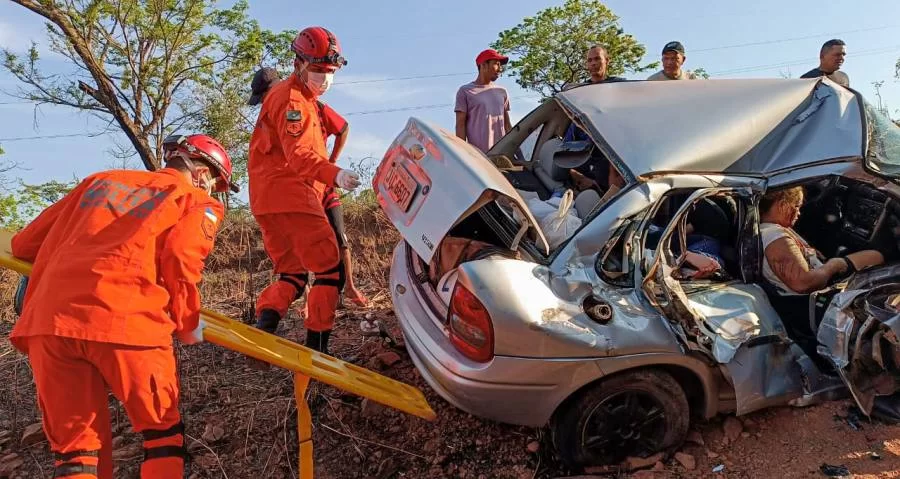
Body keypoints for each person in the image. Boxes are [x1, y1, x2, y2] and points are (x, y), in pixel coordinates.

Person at [9, 133, 234, 479]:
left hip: (50, 324)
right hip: (128, 322)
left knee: (76, 453)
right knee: (163, 435)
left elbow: (23, 244)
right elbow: (180, 256)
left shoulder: (99, 182)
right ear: (203, 174)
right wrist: (188, 321)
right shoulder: (195, 200)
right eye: (216, 184)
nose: (213, 192)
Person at [248, 26, 361, 355]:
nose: (325, 78)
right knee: (329, 272)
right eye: (319, 70)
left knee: (294, 274)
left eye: (330, 72)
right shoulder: (292, 100)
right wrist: (334, 173)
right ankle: (319, 352)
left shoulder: (299, 99)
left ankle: (264, 327)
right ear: (298, 63)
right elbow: (300, 156)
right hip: (294, 195)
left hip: (266, 202)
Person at [760, 187, 881, 295]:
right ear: (782, 205)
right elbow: (803, 284)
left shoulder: (770, 228)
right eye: (796, 206)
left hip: (820, 275)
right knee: (877, 256)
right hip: (811, 297)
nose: (799, 212)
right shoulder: (774, 235)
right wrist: (834, 265)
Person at [455, 48, 512, 153]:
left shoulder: (502, 91)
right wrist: (462, 154)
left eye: (500, 65)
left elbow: (507, 126)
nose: (500, 69)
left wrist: (519, 155)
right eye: (496, 64)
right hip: (479, 157)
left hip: (502, 156)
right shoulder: (465, 91)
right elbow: (460, 125)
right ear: (483, 65)